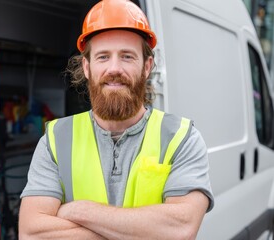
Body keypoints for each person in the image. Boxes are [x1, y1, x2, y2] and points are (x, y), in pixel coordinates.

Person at [19, 0, 214, 239]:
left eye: (127, 56)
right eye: (103, 57)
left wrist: (80, 211)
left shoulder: (181, 137)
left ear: (147, 66)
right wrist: (140, 230)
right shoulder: (55, 140)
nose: (114, 68)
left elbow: (180, 229)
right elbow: (32, 233)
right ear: (87, 67)